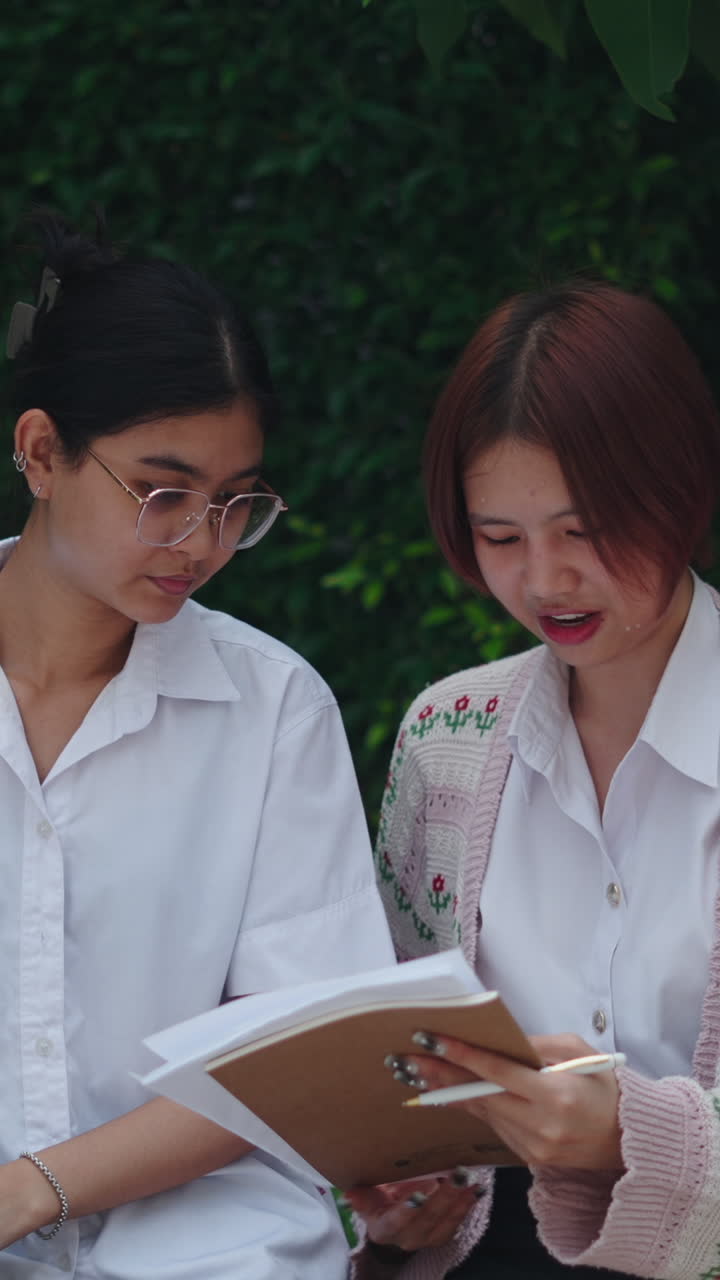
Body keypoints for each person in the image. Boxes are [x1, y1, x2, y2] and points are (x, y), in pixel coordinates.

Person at [0, 212, 395, 1279]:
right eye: (162, 491)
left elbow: (303, 1054)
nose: (203, 543)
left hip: (213, 1251)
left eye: (233, 502)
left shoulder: (272, 709)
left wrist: (30, 1185)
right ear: (42, 452)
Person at [347, 280, 720, 1279]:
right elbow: (395, 1063)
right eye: (500, 537)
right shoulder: (447, 734)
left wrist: (625, 1137)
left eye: (582, 526)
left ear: (680, 485)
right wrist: (393, 1200)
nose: (545, 579)